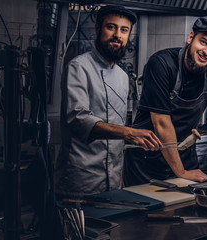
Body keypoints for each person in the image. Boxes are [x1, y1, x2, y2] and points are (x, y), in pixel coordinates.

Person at [123, 16, 207, 189]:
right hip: (146, 163)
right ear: (191, 37)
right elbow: (161, 123)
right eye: (203, 42)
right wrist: (181, 172)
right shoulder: (162, 64)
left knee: (186, 214)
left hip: (185, 160)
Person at [55, 5, 162, 197]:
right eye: (111, 27)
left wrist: (119, 176)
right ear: (98, 29)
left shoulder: (122, 76)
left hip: (113, 182)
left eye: (124, 30)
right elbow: (78, 120)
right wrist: (129, 133)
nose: (117, 35)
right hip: (81, 179)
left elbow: (116, 131)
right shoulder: (78, 67)